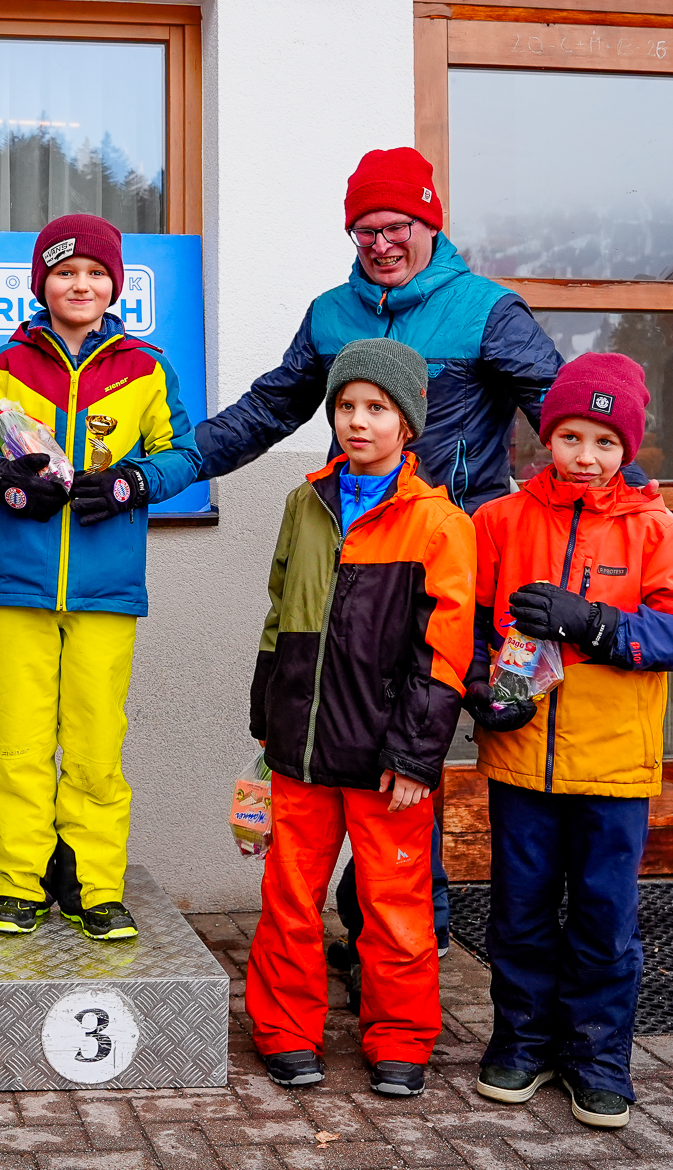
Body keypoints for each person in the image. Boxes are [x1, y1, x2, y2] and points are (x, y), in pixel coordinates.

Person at [195, 147, 564, 974]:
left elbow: (566, 416)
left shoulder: (486, 310)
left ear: (430, 220)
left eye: (396, 225)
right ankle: (379, 941)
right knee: (367, 747)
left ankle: (411, 946)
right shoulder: (332, 315)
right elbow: (267, 410)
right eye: (364, 229)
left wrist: (625, 500)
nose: (381, 243)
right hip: (358, 570)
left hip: (452, 566)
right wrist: (164, 469)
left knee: (417, 749)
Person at [468, 353, 673, 1128]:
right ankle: (522, 1042)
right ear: (546, 437)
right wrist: (480, 689)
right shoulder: (499, 521)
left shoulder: (657, 529)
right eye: (571, 436)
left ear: (627, 447)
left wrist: (596, 623)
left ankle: (598, 1059)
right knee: (519, 911)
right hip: (522, 764)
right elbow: (467, 622)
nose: (586, 455)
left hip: (614, 766)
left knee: (605, 919)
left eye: (606, 442)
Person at [0, 214, 201, 942]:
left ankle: (96, 889)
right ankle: (19, 885)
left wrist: (130, 483)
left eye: (95, 273)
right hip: (18, 585)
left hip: (106, 589)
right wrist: (3, 481)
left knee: (95, 749)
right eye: (65, 272)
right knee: (19, 747)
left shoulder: (147, 368)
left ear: (114, 285)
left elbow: (183, 454)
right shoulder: (4, 364)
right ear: (43, 284)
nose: (81, 284)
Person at [243, 338, 476, 1097]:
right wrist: (267, 720)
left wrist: (415, 757)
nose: (357, 421)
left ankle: (401, 1037)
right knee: (289, 902)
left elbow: (443, 653)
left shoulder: (439, 523)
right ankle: (285, 1030)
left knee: (396, 910)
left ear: (407, 423)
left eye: (376, 407)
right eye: (346, 405)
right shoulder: (304, 504)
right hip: (302, 750)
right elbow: (280, 616)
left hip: (386, 761)